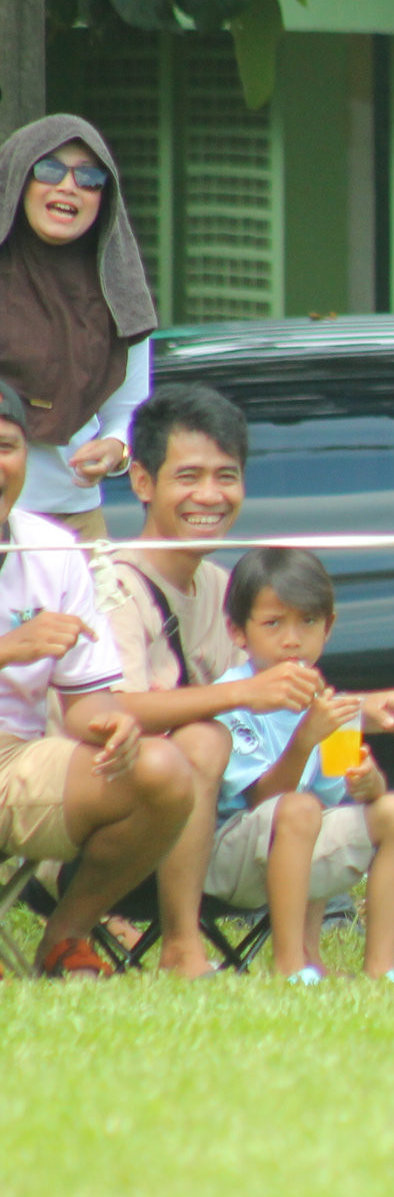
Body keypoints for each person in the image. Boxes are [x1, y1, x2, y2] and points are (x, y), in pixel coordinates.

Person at [108, 383, 394, 976]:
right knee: (219, 750)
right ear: (143, 482)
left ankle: (377, 967)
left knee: (383, 810)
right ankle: (197, 946)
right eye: (189, 476)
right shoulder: (113, 586)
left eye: (226, 476)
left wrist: (358, 718)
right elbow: (114, 708)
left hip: (254, 820)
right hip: (139, 812)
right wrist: (250, 698)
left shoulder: (229, 586)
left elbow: (290, 713)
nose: (209, 494)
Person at [0, 378, 193, 975]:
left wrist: (112, 723)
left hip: (14, 762)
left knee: (161, 772)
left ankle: (66, 936)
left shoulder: (53, 549)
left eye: (6, 446)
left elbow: (85, 703)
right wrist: (8, 648)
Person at [205, 548, 394, 980]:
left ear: (329, 627)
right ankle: (292, 965)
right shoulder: (234, 695)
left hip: (296, 841)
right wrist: (306, 738)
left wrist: (370, 784)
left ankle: (381, 966)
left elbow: (335, 796)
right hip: (227, 854)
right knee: (300, 810)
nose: (292, 639)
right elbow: (263, 798)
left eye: (308, 622)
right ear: (237, 632)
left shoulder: (327, 700)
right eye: (273, 623)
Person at [0, 115, 158, 539]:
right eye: (49, 170)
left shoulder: (118, 290)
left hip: (75, 521)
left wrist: (116, 449)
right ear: (16, 179)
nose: (68, 186)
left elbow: (128, 410)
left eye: (89, 178)